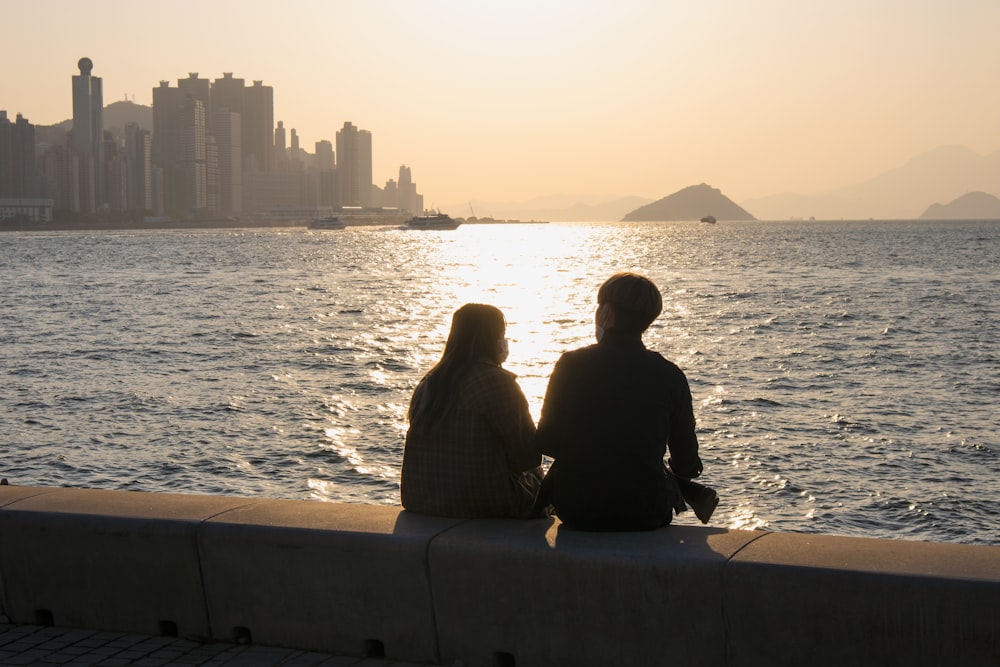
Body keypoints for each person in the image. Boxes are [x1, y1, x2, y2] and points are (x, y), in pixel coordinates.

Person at [535, 272, 716, 531]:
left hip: (577, 509)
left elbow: (547, 441)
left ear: (606, 313)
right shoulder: (670, 374)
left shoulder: (571, 364)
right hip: (646, 512)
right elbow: (686, 463)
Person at [401, 303, 544, 519]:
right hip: (485, 503)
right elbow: (527, 457)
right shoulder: (497, 382)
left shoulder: (428, 384)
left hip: (423, 501)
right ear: (493, 340)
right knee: (544, 479)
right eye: (502, 335)